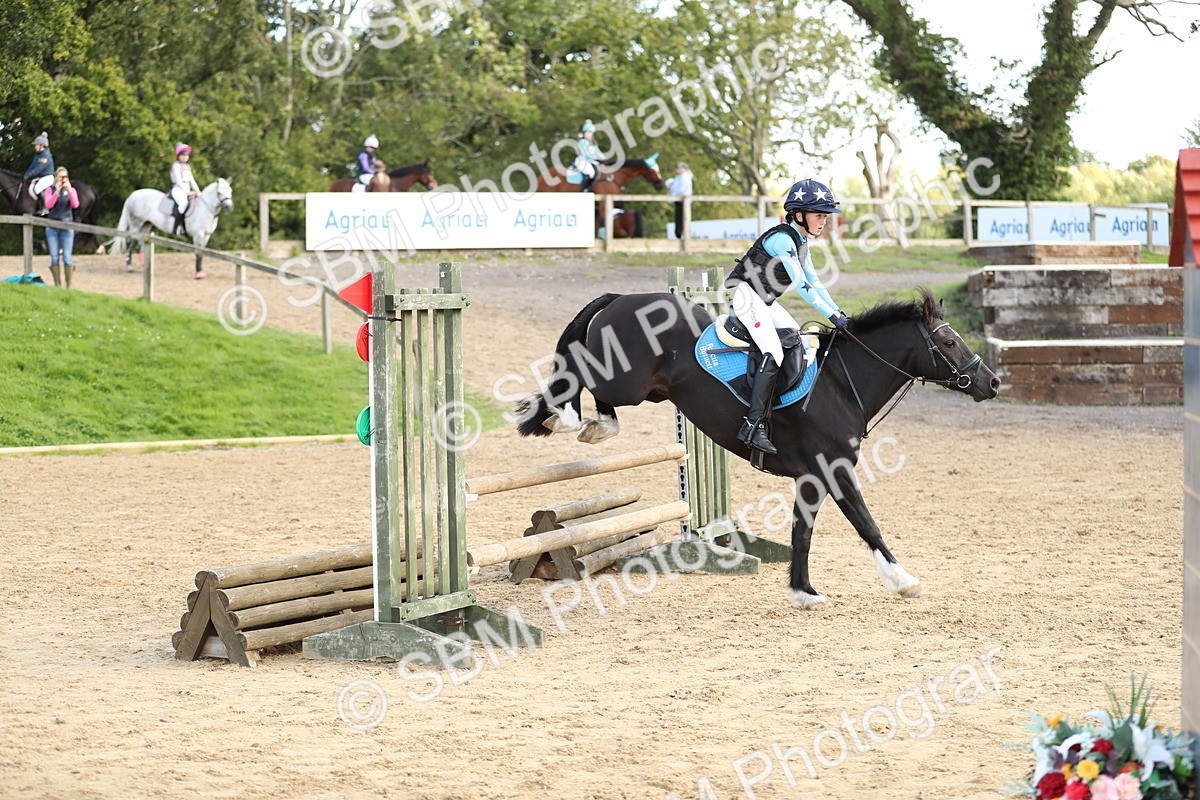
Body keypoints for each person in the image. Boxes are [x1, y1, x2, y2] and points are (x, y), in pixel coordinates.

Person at [724, 177, 849, 455]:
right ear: (799, 215)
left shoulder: (801, 241)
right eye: (819, 215)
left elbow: (815, 282)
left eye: (825, 216)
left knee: (799, 340)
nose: (824, 221)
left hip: (764, 298)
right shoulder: (782, 239)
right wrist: (831, 316)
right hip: (746, 295)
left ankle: (780, 406)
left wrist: (839, 313)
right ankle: (753, 424)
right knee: (773, 350)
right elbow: (803, 288)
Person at [43, 167, 80, 288]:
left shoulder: (71, 190)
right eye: (60, 177)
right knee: (54, 257)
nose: (63, 179)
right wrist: (56, 192)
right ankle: (57, 285)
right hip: (52, 227)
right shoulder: (50, 189)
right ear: (56, 178)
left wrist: (69, 191)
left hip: (67, 226)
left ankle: (68, 286)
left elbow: (75, 205)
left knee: (67, 257)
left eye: (65, 177)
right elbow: (48, 204)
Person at [169, 143, 200, 236]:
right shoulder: (176, 166)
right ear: (179, 156)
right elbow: (178, 181)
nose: (185, 157)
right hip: (179, 190)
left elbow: (192, 180)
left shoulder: (187, 167)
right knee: (183, 205)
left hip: (188, 189)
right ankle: (176, 228)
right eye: (183, 155)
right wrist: (187, 192)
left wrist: (198, 191)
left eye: (187, 155)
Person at [24, 132, 56, 216]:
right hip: (41, 177)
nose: (35, 147)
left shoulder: (46, 155)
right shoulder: (37, 155)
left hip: (48, 177)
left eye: (36, 145)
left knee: (37, 188)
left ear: (41, 145)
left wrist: (31, 174)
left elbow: (39, 168)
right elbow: (32, 166)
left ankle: (45, 208)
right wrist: (26, 174)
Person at [666, 161, 693, 239]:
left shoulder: (684, 177)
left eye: (679, 167)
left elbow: (681, 190)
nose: (677, 169)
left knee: (682, 218)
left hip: (683, 201)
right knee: (679, 218)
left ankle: (682, 235)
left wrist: (673, 195)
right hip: (679, 200)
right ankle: (679, 235)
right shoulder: (679, 177)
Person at [573, 121, 602, 191]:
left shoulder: (593, 143)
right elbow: (586, 154)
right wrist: (597, 159)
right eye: (588, 132)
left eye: (591, 132)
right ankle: (584, 189)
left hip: (590, 161)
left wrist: (605, 160)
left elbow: (599, 152)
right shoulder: (582, 142)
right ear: (584, 132)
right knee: (591, 172)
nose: (590, 134)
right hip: (582, 161)